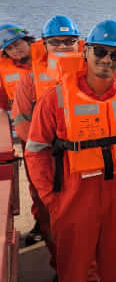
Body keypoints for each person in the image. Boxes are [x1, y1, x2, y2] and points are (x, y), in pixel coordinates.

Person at [25, 19, 116, 282]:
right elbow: (36, 152)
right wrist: (52, 200)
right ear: (86, 52)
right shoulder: (54, 99)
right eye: (101, 52)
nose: (107, 60)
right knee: (72, 275)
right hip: (73, 200)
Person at [12, 15, 85, 269]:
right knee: (49, 216)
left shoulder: (92, 75)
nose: (64, 47)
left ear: (80, 45)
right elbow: (22, 125)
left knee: (88, 220)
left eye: (69, 41)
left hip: (84, 163)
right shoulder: (30, 82)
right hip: (47, 162)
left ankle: (88, 275)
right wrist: (49, 146)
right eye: (56, 42)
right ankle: (61, 264)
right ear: (44, 45)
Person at [0, 23, 34, 112]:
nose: (15, 50)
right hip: (23, 116)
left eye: (17, 44)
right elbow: (1, 105)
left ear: (28, 41)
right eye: (9, 49)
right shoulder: (3, 69)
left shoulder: (50, 56)